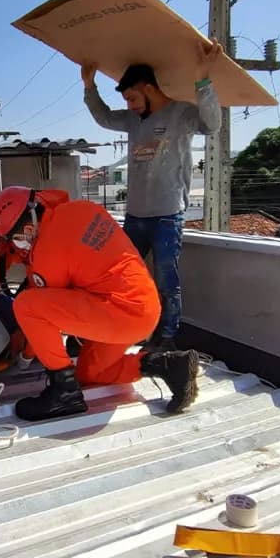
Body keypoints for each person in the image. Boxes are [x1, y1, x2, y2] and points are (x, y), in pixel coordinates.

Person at [0, 185, 201, 422]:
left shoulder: (47, 253)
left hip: (119, 314)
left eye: (15, 240)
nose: (17, 246)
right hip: (145, 308)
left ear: (27, 230)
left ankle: (64, 394)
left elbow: (44, 313)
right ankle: (168, 365)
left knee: (26, 304)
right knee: (89, 372)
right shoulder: (82, 208)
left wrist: (24, 357)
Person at [81, 39, 223, 353]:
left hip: (166, 215)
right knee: (118, 276)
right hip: (135, 216)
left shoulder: (180, 114)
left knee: (165, 281)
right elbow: (104, 117)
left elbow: (211, 124)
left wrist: (203, 78)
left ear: (148, 88)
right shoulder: (134, 120)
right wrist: (89, 86)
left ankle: (167, 338)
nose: (130, 105)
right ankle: (119, 329)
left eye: (132, 98)